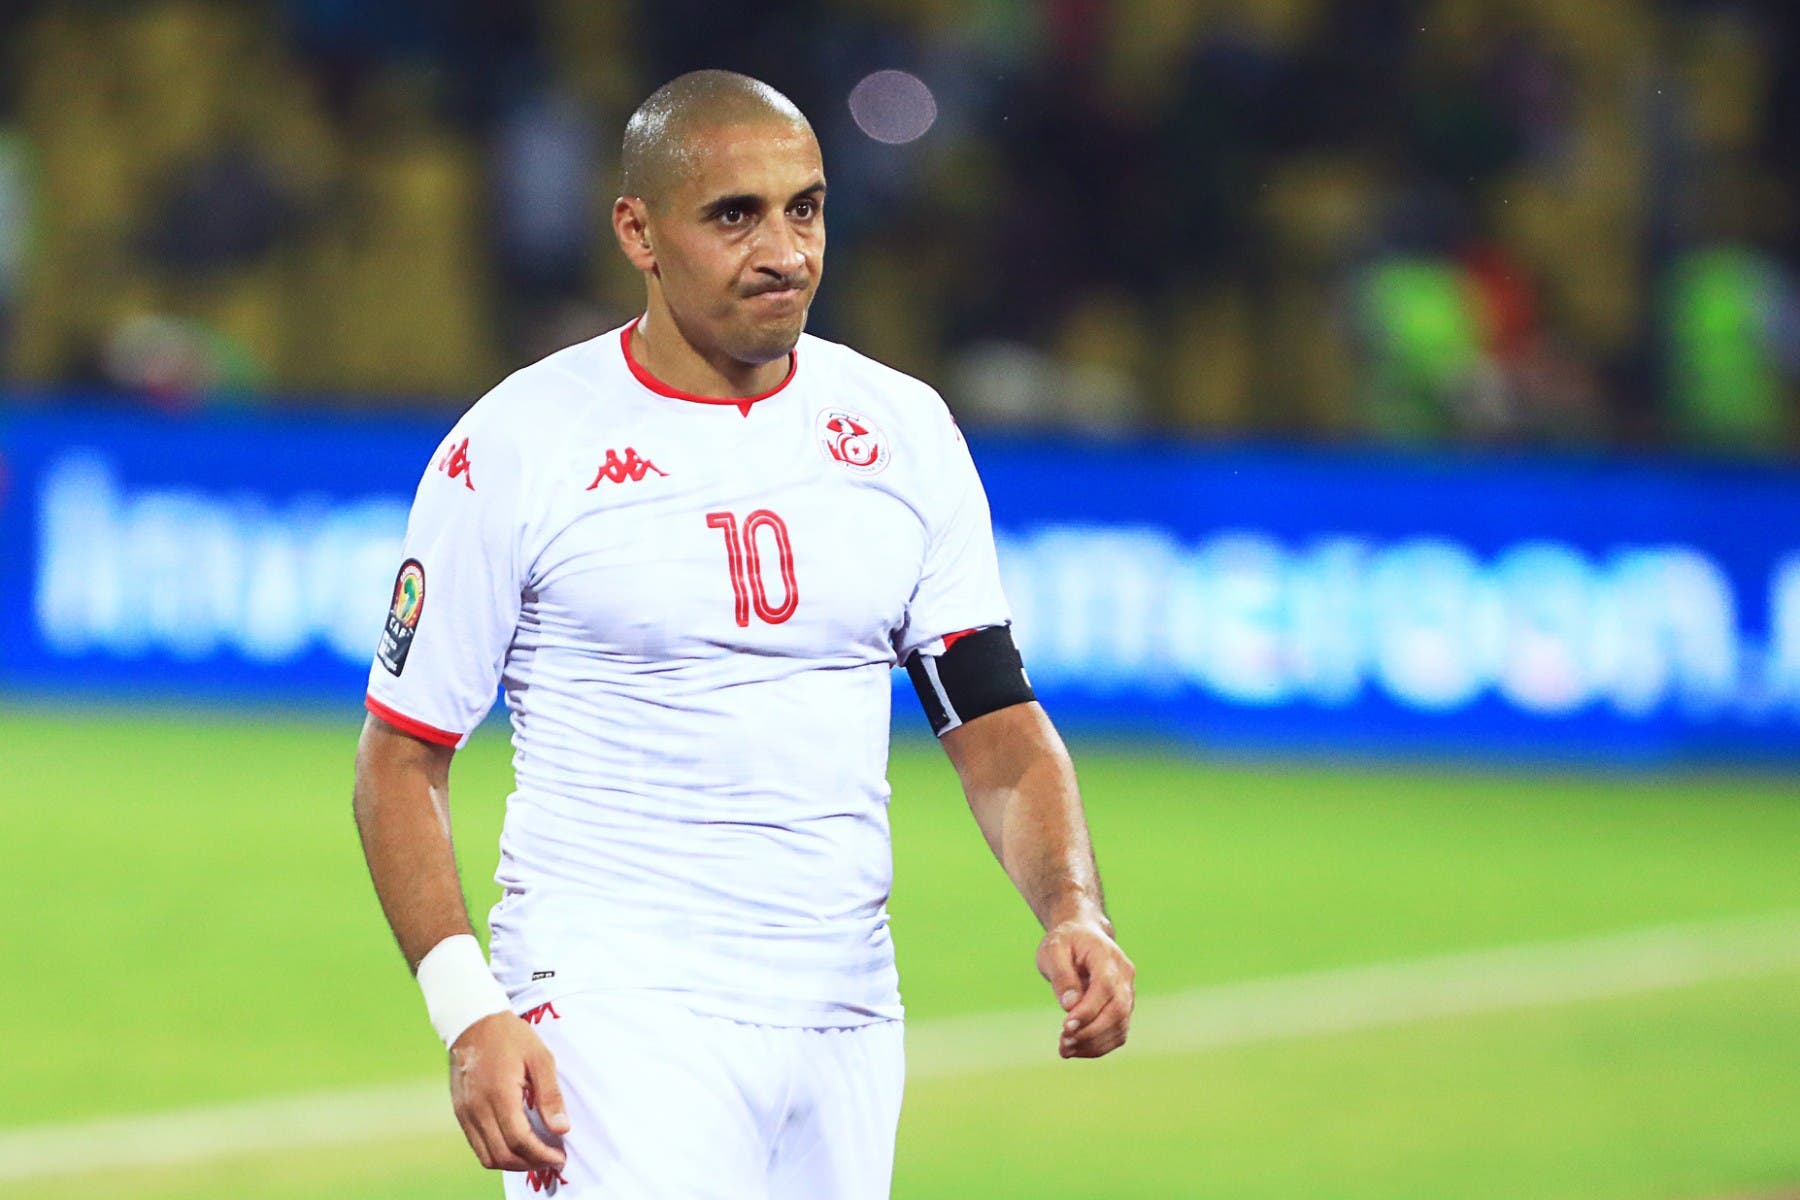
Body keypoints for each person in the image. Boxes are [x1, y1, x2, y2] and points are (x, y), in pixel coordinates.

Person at [351, 69, 1134, 1199]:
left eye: (805, 209)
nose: (784, 251)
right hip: (616, 1007)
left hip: (846, 1010)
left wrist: (1073, 909)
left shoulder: (903, 429)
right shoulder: (521, 444)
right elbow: (401, 755)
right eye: (735, 216)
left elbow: (996, 726)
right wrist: (469, 1009)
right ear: (638, 231)